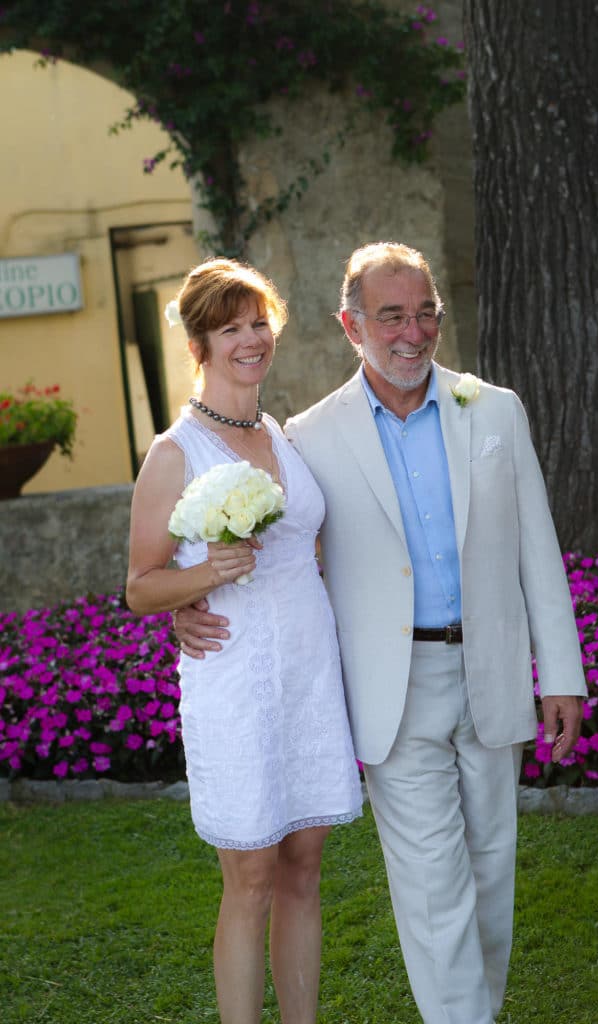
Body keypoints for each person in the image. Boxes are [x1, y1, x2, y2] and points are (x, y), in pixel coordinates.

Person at [175, 242, 587, 1024]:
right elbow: (279, 548)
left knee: (492, 872)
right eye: (391, 315)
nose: (412, 331)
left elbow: (540, 544)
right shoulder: (308, 436)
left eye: (424, 312)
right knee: (433, 886)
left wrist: (560, 672)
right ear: (350, 325)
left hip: (493, 673)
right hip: (393, 691)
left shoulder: (493, 408)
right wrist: (183, 601)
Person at [126, 257, 362, 1024]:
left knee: (304, 870)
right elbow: (139, 586)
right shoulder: (175, 454)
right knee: (251, 875)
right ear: (199, 346)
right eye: (230, 328)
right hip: (235, 681)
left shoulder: (282, 435)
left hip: (309, 674)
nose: (250, 339)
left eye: (258, 321)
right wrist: (199, 583)